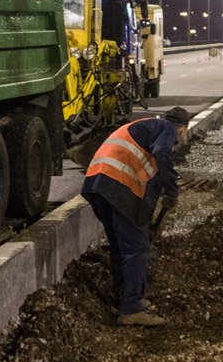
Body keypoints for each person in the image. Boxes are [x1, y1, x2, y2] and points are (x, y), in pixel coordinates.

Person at [80, 106, 190, 326]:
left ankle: (125, 298)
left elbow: (147, 182)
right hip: (116, 185)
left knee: (121, 248)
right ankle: (131, 309)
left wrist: (145, 217)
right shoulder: (167, 129)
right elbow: (161, 151)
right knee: (135, 248)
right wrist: (172, 188)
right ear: (182, 129)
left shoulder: (145, 127)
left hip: (96, 185)